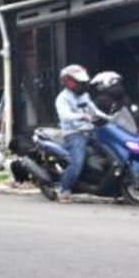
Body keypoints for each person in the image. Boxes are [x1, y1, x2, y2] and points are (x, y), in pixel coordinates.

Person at [54, 64, 103, 202]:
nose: (80, 84)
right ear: (66, 81)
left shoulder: (85, 95)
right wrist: (80, 116)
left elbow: (94, 110)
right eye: (76, 81)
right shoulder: (62, 98)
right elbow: (64, 115)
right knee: (77, 163)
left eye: (81, 81)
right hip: (74, 133)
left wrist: (109, 117)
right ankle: (64, 190)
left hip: (90, 130)